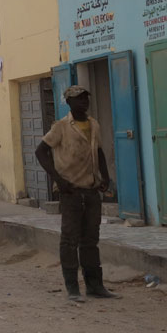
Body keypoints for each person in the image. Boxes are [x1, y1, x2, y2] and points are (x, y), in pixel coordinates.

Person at [35, 85, 120, 303]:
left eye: (85, 98)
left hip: (91, 190)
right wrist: (58, 180)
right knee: (70, 240)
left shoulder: (94, 125)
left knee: (91, 240)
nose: (83, 102)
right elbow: (41, 151)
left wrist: (106, 177)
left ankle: (95, 285)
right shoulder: (61, 127)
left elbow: (98, 151)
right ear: (69, 103)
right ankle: (72, 287)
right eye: (78, 99)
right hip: (71, 191)